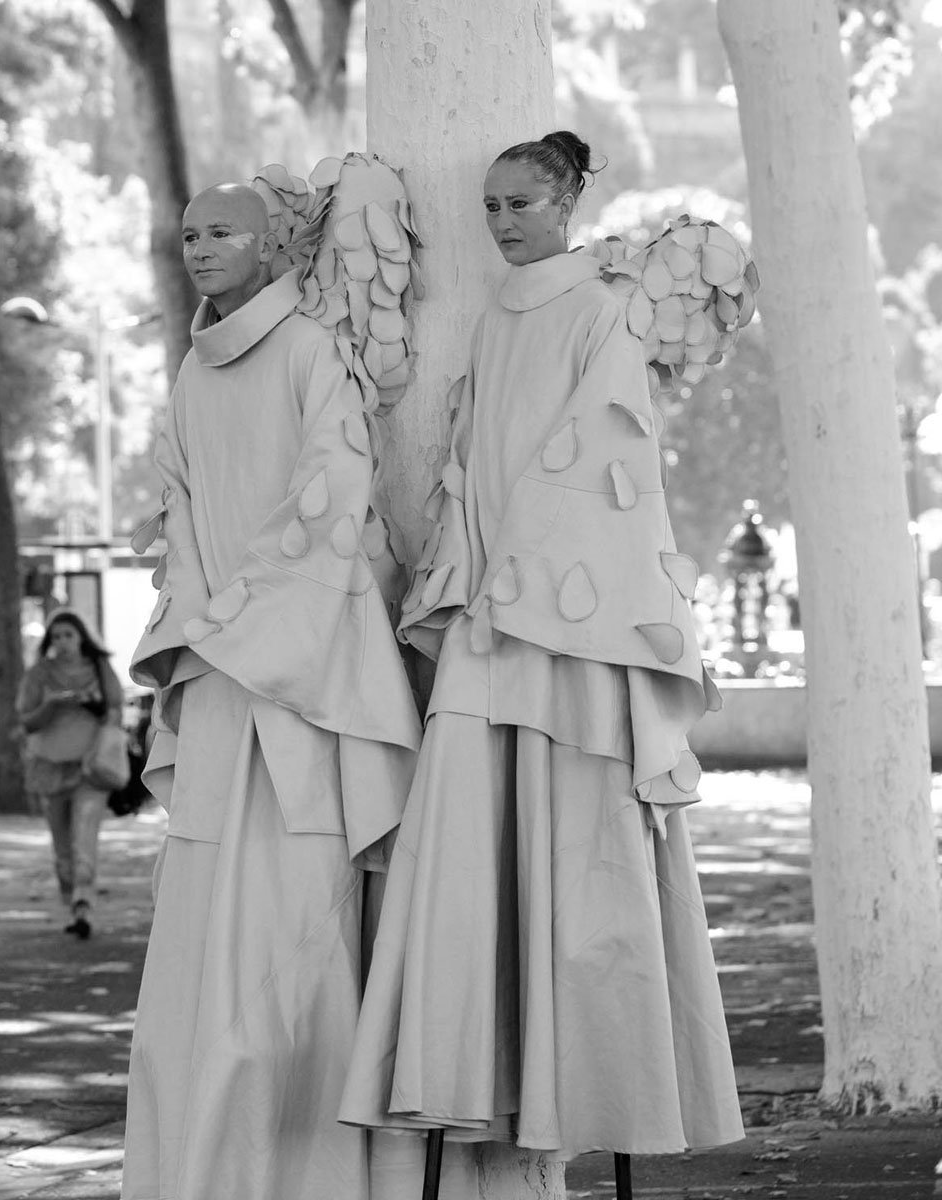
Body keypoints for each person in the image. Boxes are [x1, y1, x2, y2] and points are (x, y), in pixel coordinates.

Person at [337, 132, 743, 1172]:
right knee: (468, 850)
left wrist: (515, 578)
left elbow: (607, 469)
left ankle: (600, 1093)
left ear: (566, 200)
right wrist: (470, 579)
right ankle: (472, 1075)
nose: (503, 222)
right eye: (490, 206)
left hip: (573, 627)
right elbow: (473, 467)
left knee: (585, 859)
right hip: (492, 618)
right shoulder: (493, 319)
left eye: (520, 202)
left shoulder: (603, 309)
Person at [122, 182, 423, 1199]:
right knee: (199, 939)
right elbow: (178, 509)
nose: (200, 247)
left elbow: (328, 502)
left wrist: (235, 628)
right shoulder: (191, 374)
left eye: (221, 232)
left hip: (300, 686)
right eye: (189, 234)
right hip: (220, 680)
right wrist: (202, 628)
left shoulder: (307, 351)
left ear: (269, 244)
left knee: (297, 933)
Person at [17, 609, 125, 940]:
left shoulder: (100, 668)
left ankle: (83, 905)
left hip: (90, 769)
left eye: (69, 635)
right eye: (57, 636)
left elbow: (116, 710)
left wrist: (93, 706)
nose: (63, 642)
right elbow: (27, 721)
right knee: (62, 849)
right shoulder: (39, 674)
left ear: (81, 638)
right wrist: (51, 705)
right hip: (49, 768)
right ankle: (71, 898)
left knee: (84, 843)